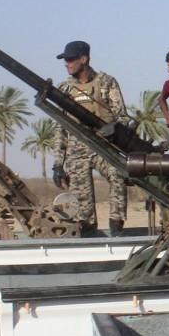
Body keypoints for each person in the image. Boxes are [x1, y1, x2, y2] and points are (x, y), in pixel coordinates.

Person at [51, 40, 130, 237]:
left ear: (83, 59)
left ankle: (116, 224)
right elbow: (60, 128)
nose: (66, 64)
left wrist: (113, 130)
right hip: (77, 151)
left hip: (104, 146)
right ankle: (88, 233)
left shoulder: (107, 82)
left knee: (117, 175)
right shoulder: (65, 89)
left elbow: (122, 116)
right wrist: (58, 164)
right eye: (65, 60)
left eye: (70, 59)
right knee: (82, 202)